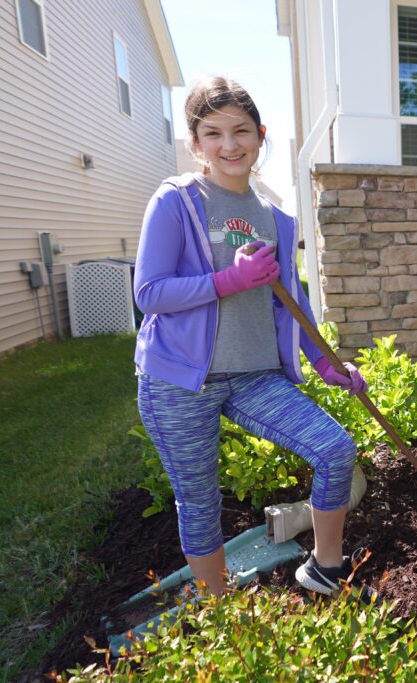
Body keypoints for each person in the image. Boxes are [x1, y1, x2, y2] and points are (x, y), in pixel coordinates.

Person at [134, 76, 369, 596]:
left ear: (260, 135)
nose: (229, 144)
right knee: (199, 499)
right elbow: (149, 292)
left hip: (253, 376)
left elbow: (293, 302)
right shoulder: (176, 201)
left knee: (334, 449)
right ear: (195, 143)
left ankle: (325, 570)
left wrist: (328, 364)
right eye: (213, 133)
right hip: (178, 379)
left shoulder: (276, 219)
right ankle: (222, 612)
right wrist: (228, 281)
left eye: (241, 130)